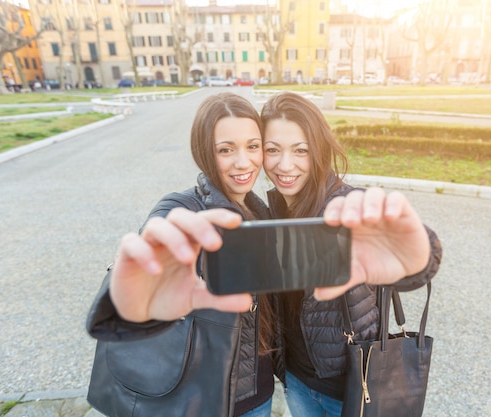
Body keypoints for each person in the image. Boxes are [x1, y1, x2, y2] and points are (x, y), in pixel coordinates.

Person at [86, 92, 276, 417]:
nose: (243, 162)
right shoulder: (182, 208)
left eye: (253, 146)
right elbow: (151, 254)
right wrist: (132, 300)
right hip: (200, 398)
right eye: (226, 149)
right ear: (204, 151)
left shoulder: (262, 213)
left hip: (257, 392)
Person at [259, 91, 442, 416]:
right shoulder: (271, 211)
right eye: (273, 150)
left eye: (300, 150)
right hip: (296, 380)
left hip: (355, 385)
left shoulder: (344, 206)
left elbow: (410, 258)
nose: (284, 165)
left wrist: (421, 258)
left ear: (319, 150)